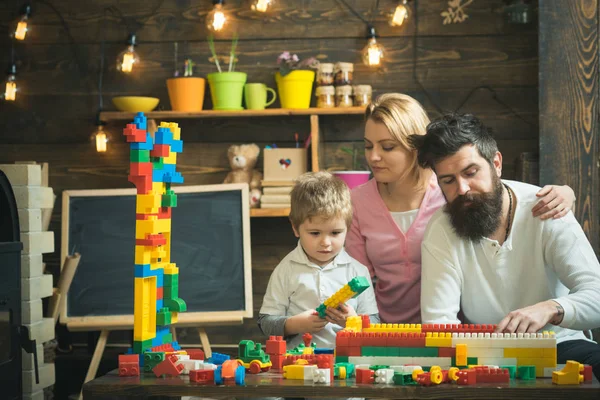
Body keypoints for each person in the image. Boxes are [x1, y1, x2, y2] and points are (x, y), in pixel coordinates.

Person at [345, 93, 576, 324]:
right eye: (367, 146)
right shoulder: (356, 202)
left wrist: (566, 192)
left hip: (457, 330)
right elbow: (358, 281)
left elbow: (497, 194)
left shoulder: (453, 193)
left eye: (387, 147)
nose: (373, 157)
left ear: (414, 148)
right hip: (385, 329)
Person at [412, 112, 600, 380]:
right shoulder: (440, 230)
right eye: (448, 180)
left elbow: (597, 295)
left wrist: (550, 309)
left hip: (559, 342)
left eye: (471, 172)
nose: (463, 188)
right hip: (483, 351)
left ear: (496, 163)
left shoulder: (547, 208)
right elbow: (438, 324)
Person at [258, 171, 379, 350]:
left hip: (347, 361)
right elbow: (266, 323)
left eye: (335, 233)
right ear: (295, 228)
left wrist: (353, 321)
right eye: (315, 233)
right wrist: (295, 324)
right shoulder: (285, 270)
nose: (326, 242)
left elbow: (375, 326)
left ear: (348, 227)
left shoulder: (357, 271)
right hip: (298, 362)